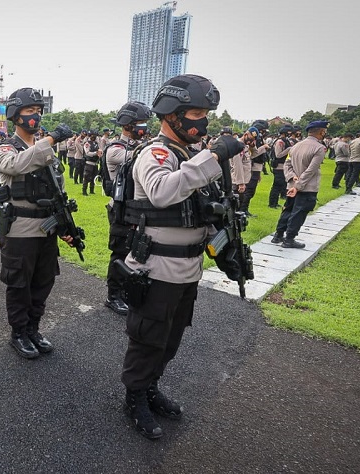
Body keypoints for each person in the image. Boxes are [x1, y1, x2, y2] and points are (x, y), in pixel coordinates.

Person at [118, 74, 244, 439]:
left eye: (205, 115)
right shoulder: (155, 154)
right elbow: (161, 192)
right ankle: (134, 397)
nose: (202, 123)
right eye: (196, 114)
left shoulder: (189, 156)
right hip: (157, 267)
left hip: (188, 268)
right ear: (172, 114)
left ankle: (150, 387)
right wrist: (213, 156)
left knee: (171, 338)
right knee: (148, 339)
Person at [0, 87, 75, 359]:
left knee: (43, 282)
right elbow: (15, 165)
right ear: (15, 115)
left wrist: (64, 226)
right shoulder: (5, 147)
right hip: (20, 229)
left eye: (39, 111)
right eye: (30, 111)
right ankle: (18, 332)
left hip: (46, 227)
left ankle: (33, 328)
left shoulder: (45, 150)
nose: (36, 116)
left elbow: (57, 190)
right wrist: (50, 139)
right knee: (20, 284)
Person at [103, 100, 153, 316]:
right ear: (127, 124)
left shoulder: (141, 147)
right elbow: (139, 155)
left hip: (138, 209)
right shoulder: (116, 149)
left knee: (137, 251)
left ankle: (127, 293)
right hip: (121, 210)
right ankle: (113, 296)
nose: (143, 126)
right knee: (120, 252)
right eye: (140, 122)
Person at [271, 121, 328, 248]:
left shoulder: (295, 146)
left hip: (293, 184)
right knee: (299, 213)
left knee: (288, 210)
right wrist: (298, 186)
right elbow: (310, 170)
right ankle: (289, 239)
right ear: (322, 132)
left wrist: (292, 177)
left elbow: (287, 165)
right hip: (306, 187)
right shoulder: (319, 148)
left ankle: (278, 235)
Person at [268, 124, 294, 208]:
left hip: (283, 166)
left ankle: (275, 202)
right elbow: (278, 155)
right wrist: (288, 149)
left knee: (281, 185)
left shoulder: (286, 141)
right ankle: (272, 203)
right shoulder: (280, 142)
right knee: (277, 185)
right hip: (279, 166)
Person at [82, 129, 101, 195]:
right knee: (87, 178)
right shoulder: (87, 143)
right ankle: (84, 190)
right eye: (93, 135)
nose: (95, 137)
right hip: (89, 163)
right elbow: (87, 153)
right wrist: (96, 153)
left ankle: (92, 190)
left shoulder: (96, 143)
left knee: (94, 177)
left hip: (95, 163)